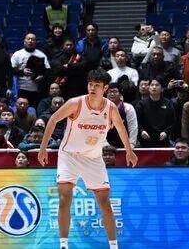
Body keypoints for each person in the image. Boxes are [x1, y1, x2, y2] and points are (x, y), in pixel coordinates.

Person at [40, 69, 137, 249]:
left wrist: (129, 151)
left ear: (105, 88)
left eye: (97, 85)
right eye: (90, 84)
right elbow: (53, 119)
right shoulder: (75, 103)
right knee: (64, 198)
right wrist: (43, 148)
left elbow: (121, 128)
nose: (92, 88)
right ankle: (63, 245)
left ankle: (114, 245)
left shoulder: (110, 108)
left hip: (93, 158)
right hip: (69, 155)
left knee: (105, 203)